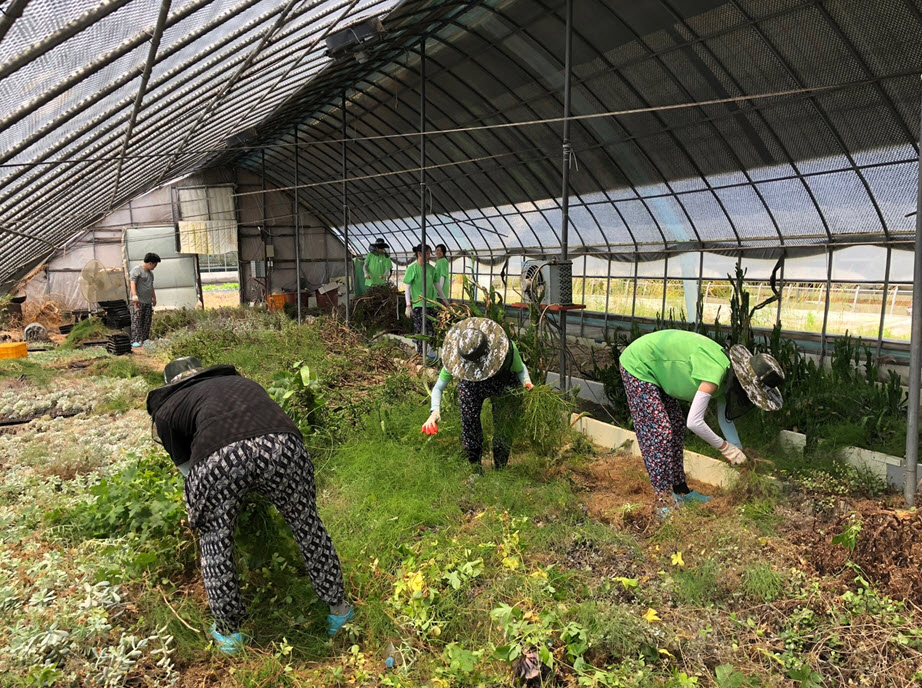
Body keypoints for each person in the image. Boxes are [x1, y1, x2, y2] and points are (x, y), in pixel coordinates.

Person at [146, 357, 354, 655]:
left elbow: (187, 468)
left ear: (169, 386)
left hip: (221, 458)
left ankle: (230, 633)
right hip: (284, 447)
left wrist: (219, 502)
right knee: (307, 524)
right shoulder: (242, 383)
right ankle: (340, 610)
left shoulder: (167, 410)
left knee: (215, 542)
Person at [618, 329, 784, 510]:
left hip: (658, 368)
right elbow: (695, 422)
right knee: (660, 431)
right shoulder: (715, 372)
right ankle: (663, 501)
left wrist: (740, 452)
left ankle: (681, 491)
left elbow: (725, 419)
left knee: (677, 425)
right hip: (639, 364)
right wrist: (726, 448)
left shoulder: (730, 378)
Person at [421, 318, 533, 470]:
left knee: (503, 423)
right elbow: (438, 388)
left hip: (502, 381)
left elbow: (520, 368)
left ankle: (500, 468)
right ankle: (475, 469)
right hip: (471, 385)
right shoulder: (458, 358)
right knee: (469, 421)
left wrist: (526, 381)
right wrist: (434, 412)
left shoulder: (505, 348)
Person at [403, 243, 437, 357]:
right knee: (420, 331)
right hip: (418, 306)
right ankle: (421, 355)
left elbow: (437, 286)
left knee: (433, 330)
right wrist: (408, 306)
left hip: (431, 305)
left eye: (429, 253)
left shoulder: (431, 269)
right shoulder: (412, 269)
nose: (429, 255)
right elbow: (407, 289)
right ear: (419, 254)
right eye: (427, 253)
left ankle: (432, 353)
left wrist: (445, 302)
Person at [129, 252, 161, 348]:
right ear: (150, 263)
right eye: (155, 264)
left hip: (147, 301)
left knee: (147, 321)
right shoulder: (136, 270)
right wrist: (134, 296)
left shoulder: (150, 274)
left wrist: (154, 298)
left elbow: (151, 286)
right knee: (137, 320)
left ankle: (144, 340)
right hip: (138, 301)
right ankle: (135, 340)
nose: (155, 267)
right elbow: (132, 283)